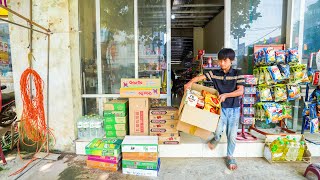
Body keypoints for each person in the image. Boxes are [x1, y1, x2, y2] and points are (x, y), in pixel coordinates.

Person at [184, 48, 244, 170]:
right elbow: (201, 78)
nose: (222, 63)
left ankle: (230, 156)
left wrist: (226, 95)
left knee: (232, 135)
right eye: (220, 60)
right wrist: (190, 82)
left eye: (225, 60)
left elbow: (240, 91)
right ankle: (216, 139)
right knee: (217, 131)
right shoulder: (215, 73)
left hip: (234, 109)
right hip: (219, 108)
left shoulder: (238, 73)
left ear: (231, 60)